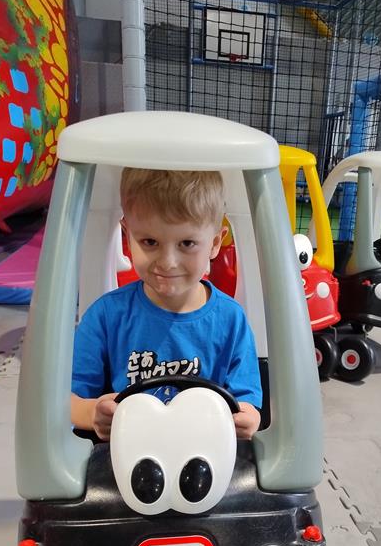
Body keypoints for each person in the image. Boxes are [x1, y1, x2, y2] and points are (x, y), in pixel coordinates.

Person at [70, 168, 262, 441]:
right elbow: (67, 401)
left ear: (214, 243)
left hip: (204, 449)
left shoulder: (231, 321)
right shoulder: (105, 317)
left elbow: (247, 404)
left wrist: (247, 419)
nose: (168, 262)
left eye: (187, 243)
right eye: (150, 242)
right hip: (127, 449)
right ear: (127, 236)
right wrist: (93, 414)